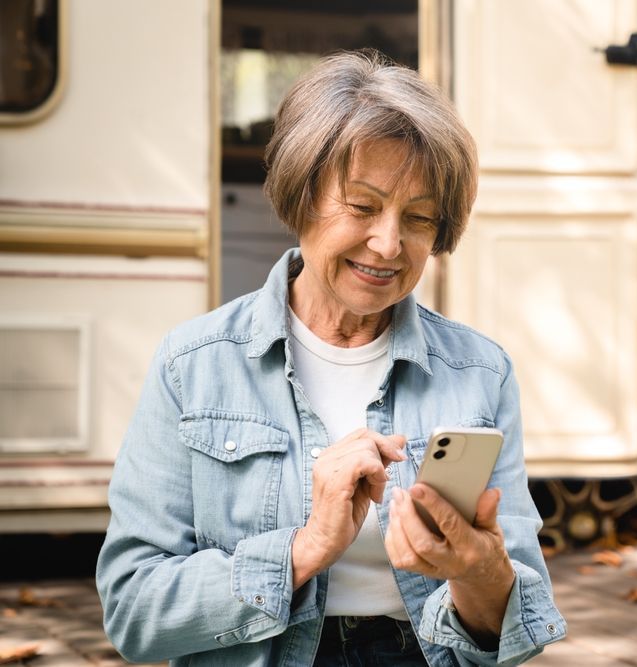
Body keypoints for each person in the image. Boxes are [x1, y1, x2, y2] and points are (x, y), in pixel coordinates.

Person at [96, 50, 566, 667]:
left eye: (419, 219)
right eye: (363, 206)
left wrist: (479, 573)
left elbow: (517, 635)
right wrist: (306, 546)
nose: (390, 244)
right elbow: (133, 615)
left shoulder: (480, 371)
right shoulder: (195, 364)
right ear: (302, 193)